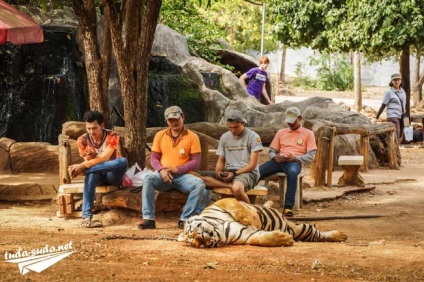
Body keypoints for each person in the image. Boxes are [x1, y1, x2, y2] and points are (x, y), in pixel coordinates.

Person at [138, 106, 206, 230]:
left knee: (199, 184)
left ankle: (185, 219)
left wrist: (178, 170)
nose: (174, 122)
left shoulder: (193, 136)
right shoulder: (160, 135)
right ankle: (149, 219)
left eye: (176, 119)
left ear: (183, 117)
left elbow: (196, 161)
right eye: (170, 120)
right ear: (166, 121)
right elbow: (154, 159)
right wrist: (161, 171)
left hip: (183, 176)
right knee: (148, 178)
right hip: (164, 175)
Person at [68, 110, 128, 228]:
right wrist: (88, 161)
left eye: (94, 128)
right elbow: (88, 161)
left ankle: (86, 171)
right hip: (97, 174)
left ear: (102, 125)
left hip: (112, 174)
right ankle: (86, 217)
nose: (91, 131)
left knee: (123, 161)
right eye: (88, 128)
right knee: (91, 174)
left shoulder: (112, 135)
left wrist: (82, 167)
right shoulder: (82, 140)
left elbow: (106, 157)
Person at [259, 107, 316, 217]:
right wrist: (274, 157)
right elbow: (271, 150)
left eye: (293, 121)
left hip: (294, 162)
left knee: (292, 173)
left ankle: (288, 207)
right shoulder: (281, 132)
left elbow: (311, 156)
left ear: (300, 118)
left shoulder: (308, 134)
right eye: (288, 121)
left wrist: (295, 158)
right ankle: (248, 200)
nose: (290, 124)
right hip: (279, 161)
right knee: (258, 171)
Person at [195, 110, 263, 204]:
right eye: (230, 127)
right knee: (193, 176)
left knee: (237, 188)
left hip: (248, 172)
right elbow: (221, 159)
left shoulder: (254, 137)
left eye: (236, 127)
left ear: (242, 123)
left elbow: (252, 165)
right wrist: (218, 171)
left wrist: (235, 173)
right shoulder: (224, 137)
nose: (233, 130)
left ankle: (250, 211)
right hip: (228, 172)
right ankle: (228, 185)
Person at [375, 73, 407, 140]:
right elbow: (383, 105)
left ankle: (394, 148)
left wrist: (405, 116)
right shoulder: (389, 92)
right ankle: (390, 148)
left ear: (401, 81)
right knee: (396, 133)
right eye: (395, 80)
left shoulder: (402, 91)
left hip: (401, 115)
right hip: (393, 115)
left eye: (398, 79)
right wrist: (377, 117)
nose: (397, 81)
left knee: (401, 134)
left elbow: (404, 104)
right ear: (392, 81)